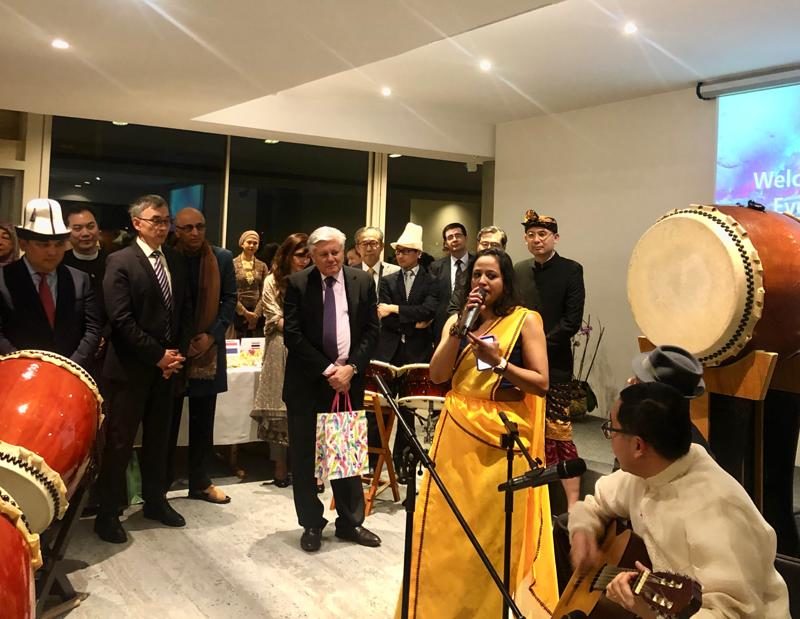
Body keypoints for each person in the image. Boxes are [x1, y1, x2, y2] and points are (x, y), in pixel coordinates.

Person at [399, 247, 558, 618]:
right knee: (449, 530)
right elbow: (438, 374)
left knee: (491, 534)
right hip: (458, 436)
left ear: (506, 282)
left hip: (502, 442)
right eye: (476, 275)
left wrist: (500, 364)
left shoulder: (525, 320)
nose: (482, 282)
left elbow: (541, 383)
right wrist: (460, 330)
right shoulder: (457, 322)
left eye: (491, 276)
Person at [569, 381, 790, 618]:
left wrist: (650, 614)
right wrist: (583, 531)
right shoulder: (649, 472)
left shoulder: (718, 510)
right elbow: (595, 503)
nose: (609, 437)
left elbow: (730, 613)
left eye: (611, 430)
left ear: (638, 446)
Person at [94, 194, 192, 544]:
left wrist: (175, 357)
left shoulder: (175, 260)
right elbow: (120, 319)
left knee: (159, 440)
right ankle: (108, 513)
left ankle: (155, 501)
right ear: (137, 223)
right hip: (129, 368)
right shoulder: (120, 261)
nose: (163, 227)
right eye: (156, 220)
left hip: (167, 370)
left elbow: (184, 311)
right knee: (120, 443)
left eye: (166, 221)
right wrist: (157, 356)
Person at [282, 226, 381, 553]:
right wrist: (328, 370)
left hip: (348, 382)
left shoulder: (362, 281)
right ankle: (311, 523)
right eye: (323, 254)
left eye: (335, 252)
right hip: (308, 383)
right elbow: (293, 335)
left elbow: (371, 331)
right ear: (312, 255)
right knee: (304, 457)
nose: (331, 259)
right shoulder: (298, 283)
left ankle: (351, 522)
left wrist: (351, 368)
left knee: (346, 452)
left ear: (344, 250)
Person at [514, 210, 584, 508]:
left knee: (558, 431)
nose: (536, 240)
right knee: (524, 430)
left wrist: (538, 346)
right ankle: (532, 501)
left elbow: (572, 321)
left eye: (542, 234)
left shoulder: (571, 270)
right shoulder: (519, 270)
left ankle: (572, 505)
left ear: (555, 237)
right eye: (531, 235)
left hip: (555, 363)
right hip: (521, 365)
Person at [167, 207, 237, 505]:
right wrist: (180, 343)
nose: (194, 233)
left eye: (200, 226)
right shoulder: (167, 257)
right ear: (176, 230)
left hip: (208, 352)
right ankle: (159, 485)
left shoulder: (221, 258)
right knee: (165, 423)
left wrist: (211, 336)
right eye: (187, 228)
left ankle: (200, 482)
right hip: (171, 352)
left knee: (202, 422)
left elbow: (229, 300)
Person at [0, 198, 101, 368]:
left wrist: (69, 366)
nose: (52, 252)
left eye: (59, 244)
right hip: (17, 371)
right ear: (23, 244)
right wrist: (25, 366)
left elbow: (92, 329)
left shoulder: (79, 279)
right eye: (43, 244)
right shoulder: (3, 279)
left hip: (71, 370)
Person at [374, 223, 439, 479]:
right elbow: (383, 315)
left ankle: (404, 461)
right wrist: (414, 321)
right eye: (398, 251)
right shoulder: (388, 280)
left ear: (418, 254)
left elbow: (429, 310)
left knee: (408, 410)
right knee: (381, 406)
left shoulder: (431, 281)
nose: (400, 255)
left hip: (416, 352)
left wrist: (396, 309)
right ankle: (375, 460)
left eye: (406, 251)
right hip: (388, 351)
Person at [251, 232, 311, 487]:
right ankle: (280, 464)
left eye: (308, 255)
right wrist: (305, 328)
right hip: (281, 346)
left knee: (306, 408)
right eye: (300, 255)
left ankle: (306, 466)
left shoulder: (315, 279)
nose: (305, 260)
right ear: (287, 255)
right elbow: (274, 317)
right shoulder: (272, 281)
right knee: (280, 406)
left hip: (309, 348)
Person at [428, 222, 475, 337]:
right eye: (450, 237)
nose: (454, 239)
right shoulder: (436, 267)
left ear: (466, 238)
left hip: (472, 323)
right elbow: (432, 297)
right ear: (445, 243)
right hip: (442, 324)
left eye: (458, 235)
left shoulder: (476, 263)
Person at [232, 230, 268, 338]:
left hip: (257, 315)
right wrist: (245, 313)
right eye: (249, 242)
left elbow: (265, 291)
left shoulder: (262, 266)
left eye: (255, 243)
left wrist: (256, 314)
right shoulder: (232, 264)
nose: (252, 245)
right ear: (242, 243)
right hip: (237, 313)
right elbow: (229, 291)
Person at [353, 226, 399, 294]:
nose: (369, 249)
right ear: (357, 248)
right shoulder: (350, 274)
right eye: (364, 244)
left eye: (373, 243)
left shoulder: (396, 272)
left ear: (382, 246)